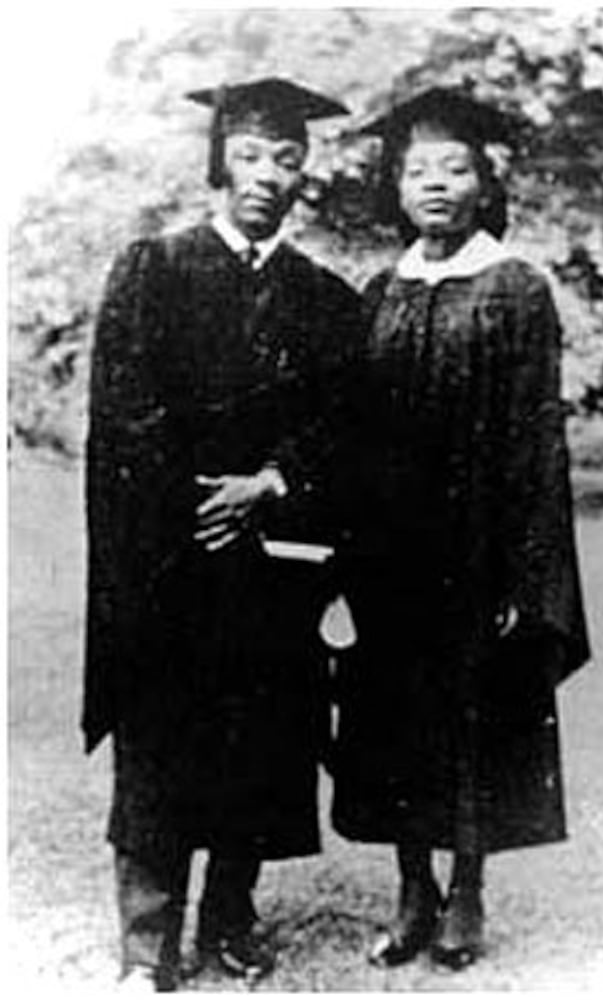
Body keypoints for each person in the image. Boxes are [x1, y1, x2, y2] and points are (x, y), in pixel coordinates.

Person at [83, 77, 360, 991]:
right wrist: (195, 505)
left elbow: (342, 426)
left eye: (286, 158)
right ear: (219, 164)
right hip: (169, 561)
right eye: (249, 155)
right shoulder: (153, 269)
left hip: (270, 564)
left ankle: (231, 923)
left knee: (258, 744)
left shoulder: (325, 298)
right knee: (160, 747)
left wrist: (271, 484)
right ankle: (147, 941)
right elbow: (123, 415)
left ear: (303, 172)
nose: (268, 175)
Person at [330, 84, 591, 970]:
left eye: (455, 168)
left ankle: (467, 889)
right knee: (394, 720)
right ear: (396, 188)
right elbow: (352, 432)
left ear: (485, 183)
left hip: (478, 552)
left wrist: (528, 574)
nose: (436, 184)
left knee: (475, 721)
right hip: (389, 557)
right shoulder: (381, 291)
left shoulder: (516, 288)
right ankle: (413, 889)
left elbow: (536, 441)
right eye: (418, 171)